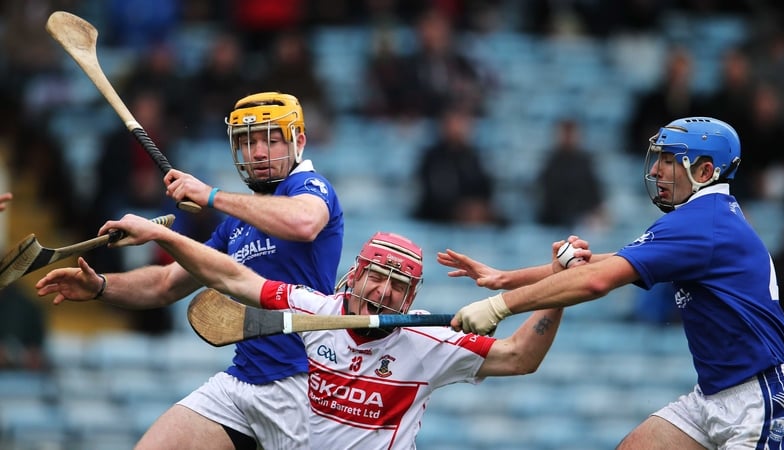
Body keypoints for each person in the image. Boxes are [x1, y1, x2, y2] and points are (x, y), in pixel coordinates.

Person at [61, 214, 577, 448]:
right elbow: (233, 277)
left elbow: (519, 356)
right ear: (354, 274)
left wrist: (559, 289)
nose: (382, 292)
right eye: (376, 275)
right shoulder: (315, 310)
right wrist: (159, 235)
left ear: (412, 299)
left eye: (397, 286)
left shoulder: (429, 341)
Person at [450, 117, 784, 449]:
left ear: (704, 171)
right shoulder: (706, 217)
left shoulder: (699, 222)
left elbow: (596, 282)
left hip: (757, 401)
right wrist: (503, 278)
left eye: (668, 160)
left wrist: (500, 307)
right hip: (712, 395)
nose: (654, 170)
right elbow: (602, 263)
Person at [35, 92, 344, 450]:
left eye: (271, 140)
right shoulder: (235, 227)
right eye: (247, 142)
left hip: (302, 383)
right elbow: (167, 284)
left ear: (298, 142)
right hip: (242, 381)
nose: (258, 152)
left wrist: (211, 195)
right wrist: (102, 286)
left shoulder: (310, 188)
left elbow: (304, 222)